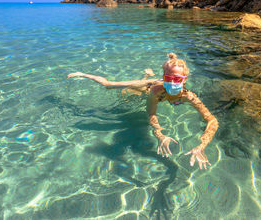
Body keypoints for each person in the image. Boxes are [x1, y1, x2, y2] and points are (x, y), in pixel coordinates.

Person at [67, 53, 219, 169]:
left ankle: (146, 73)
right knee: (112, 87)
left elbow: (212, 120)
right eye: (168, 78)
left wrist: (202, 145)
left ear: (184, 80)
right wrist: (159, 134)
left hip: (160, 94)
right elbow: (151, 114)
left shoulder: (189, 96)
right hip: (143, 89)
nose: (172, 82)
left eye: (177, 79)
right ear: (163, 77)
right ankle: (145, 75)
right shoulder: (155, 91)